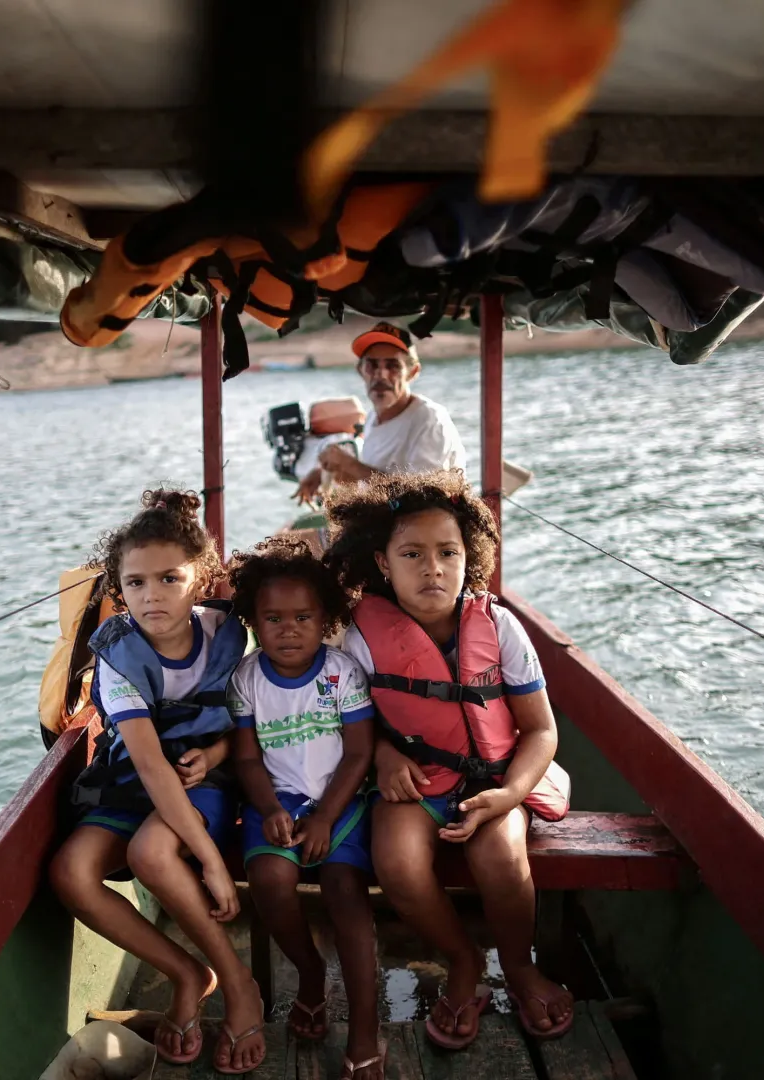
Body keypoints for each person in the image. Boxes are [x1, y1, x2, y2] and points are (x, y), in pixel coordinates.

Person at [324, 470, 574, 1050]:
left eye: (447, 552)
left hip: (496, 779)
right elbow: (349, 722)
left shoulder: (499, 625)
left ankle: (518, 966)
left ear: (470, 558)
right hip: (416, 778)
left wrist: (510, 795)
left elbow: (540, 730)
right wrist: (384, 755)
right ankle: (462, 964)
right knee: (398, 863)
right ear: (383, 563)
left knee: (502, 859)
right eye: (412, 553)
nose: (431, 567)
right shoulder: (358, 637)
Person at [46, 489, 267, 1075]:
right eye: (137, 583)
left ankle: (240, 986)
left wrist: (219, 747)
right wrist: (214, 864)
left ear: (201, 579)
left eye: (170, 578)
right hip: (132, 780)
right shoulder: (119, 654)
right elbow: (145, 764)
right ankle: (187, 972)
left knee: (151, 849)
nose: (152, 596)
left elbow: (250, 711)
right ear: (120, 588)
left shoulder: (226, 630)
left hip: (204, 779)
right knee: (71, 871)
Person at [225, 537, 383, 1080]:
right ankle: (310, 974)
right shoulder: (246, 680)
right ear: (252, 621)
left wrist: (324, 817)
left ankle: (364, 1030)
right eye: (272, 618)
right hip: (280, 801)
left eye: (302, 617)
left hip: (342, 801)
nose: (288, 629)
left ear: (325, 619)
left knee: (345, 892)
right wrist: (269, 808)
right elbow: (247, 760)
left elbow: (360, 752)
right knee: (268, 878)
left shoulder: (341, 673)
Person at [293, 322, 465, 504]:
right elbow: (374, 480)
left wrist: (350, 464)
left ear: (412, 373)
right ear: (361, 371)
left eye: (393, 366)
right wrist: (325, 473)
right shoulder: (373, 419)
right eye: (372, 365)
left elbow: (424, 498)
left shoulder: (429, 419)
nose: (381, 375)